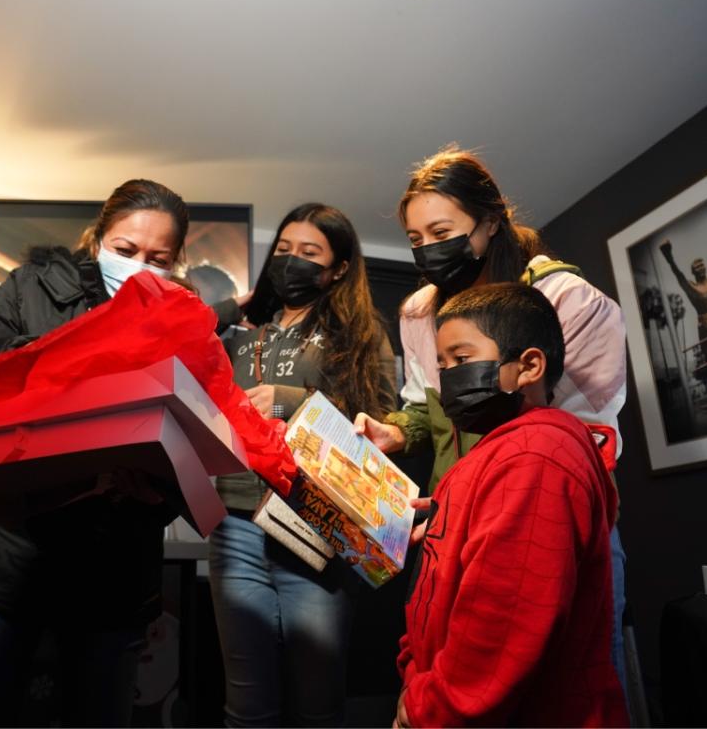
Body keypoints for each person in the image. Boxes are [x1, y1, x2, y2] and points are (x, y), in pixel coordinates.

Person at [352, 145, 632, 705]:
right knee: (455, 669)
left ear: (489, 221)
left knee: (569, 688)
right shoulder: (419, 313)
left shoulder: (564, 300)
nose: (428, 250)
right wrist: (397, 432)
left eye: (442, 231)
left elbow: (572, 439)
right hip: (451, 527)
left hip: (540, 521)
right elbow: (426, 405)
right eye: (415, 239)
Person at [0, 179, 188, 727]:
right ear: (97, 241)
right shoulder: (30, 288)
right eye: (126, 250)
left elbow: (193, 447)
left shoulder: (185, 325)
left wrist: (158, 488)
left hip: (111, 578)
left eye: (159, 258)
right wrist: (65, 357)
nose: (140, 267)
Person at [394, 283, 628, 727]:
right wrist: (414, 678)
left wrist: (424, 709)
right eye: (442, 365)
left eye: (462, 360)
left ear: (529, 366)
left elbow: (502, 624)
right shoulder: (491, 457)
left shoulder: (535, 455)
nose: (449, 377)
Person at [208, 203, 397, 727]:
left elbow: (377, 419)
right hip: (236, 522)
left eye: (309, 253)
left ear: (338, 268)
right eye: (284, 250)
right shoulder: (245, 329)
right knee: (246, 705)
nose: (292, 262)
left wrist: (289, 400)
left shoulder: (358, 332)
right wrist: (231, 307)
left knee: (317, 703)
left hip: (318, 524)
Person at [659, 211, 707, 402]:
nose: (701, 268)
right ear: (693, 272)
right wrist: (669, 256)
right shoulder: (692, 288)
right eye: (697, 267)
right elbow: (678, 275)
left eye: (703, 266)